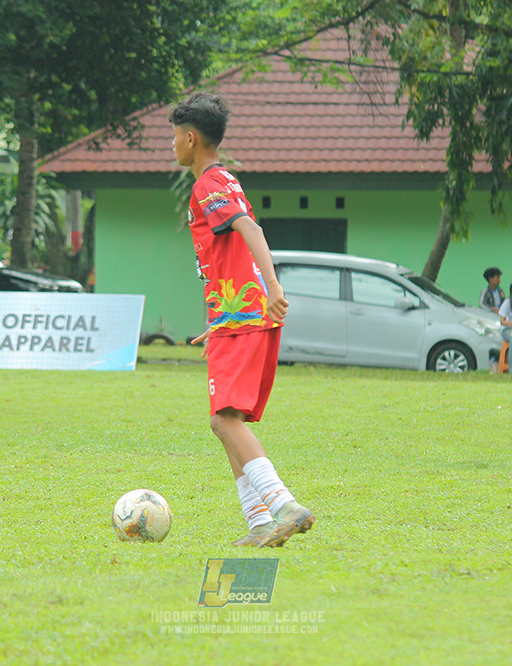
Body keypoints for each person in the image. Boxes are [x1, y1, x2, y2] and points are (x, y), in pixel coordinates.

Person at [170, 92, 313, 548]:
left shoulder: (206, 185)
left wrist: (274, 288)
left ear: (191, 139)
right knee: (228, 418)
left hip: (249, 315)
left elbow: (251, 230)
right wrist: (222, 319)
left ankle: (283, 506)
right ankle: (259, 523)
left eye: (174, 137)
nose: (172, 146)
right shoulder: (224, 179)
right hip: (241, 316)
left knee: (223, 422)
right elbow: (233, 250)